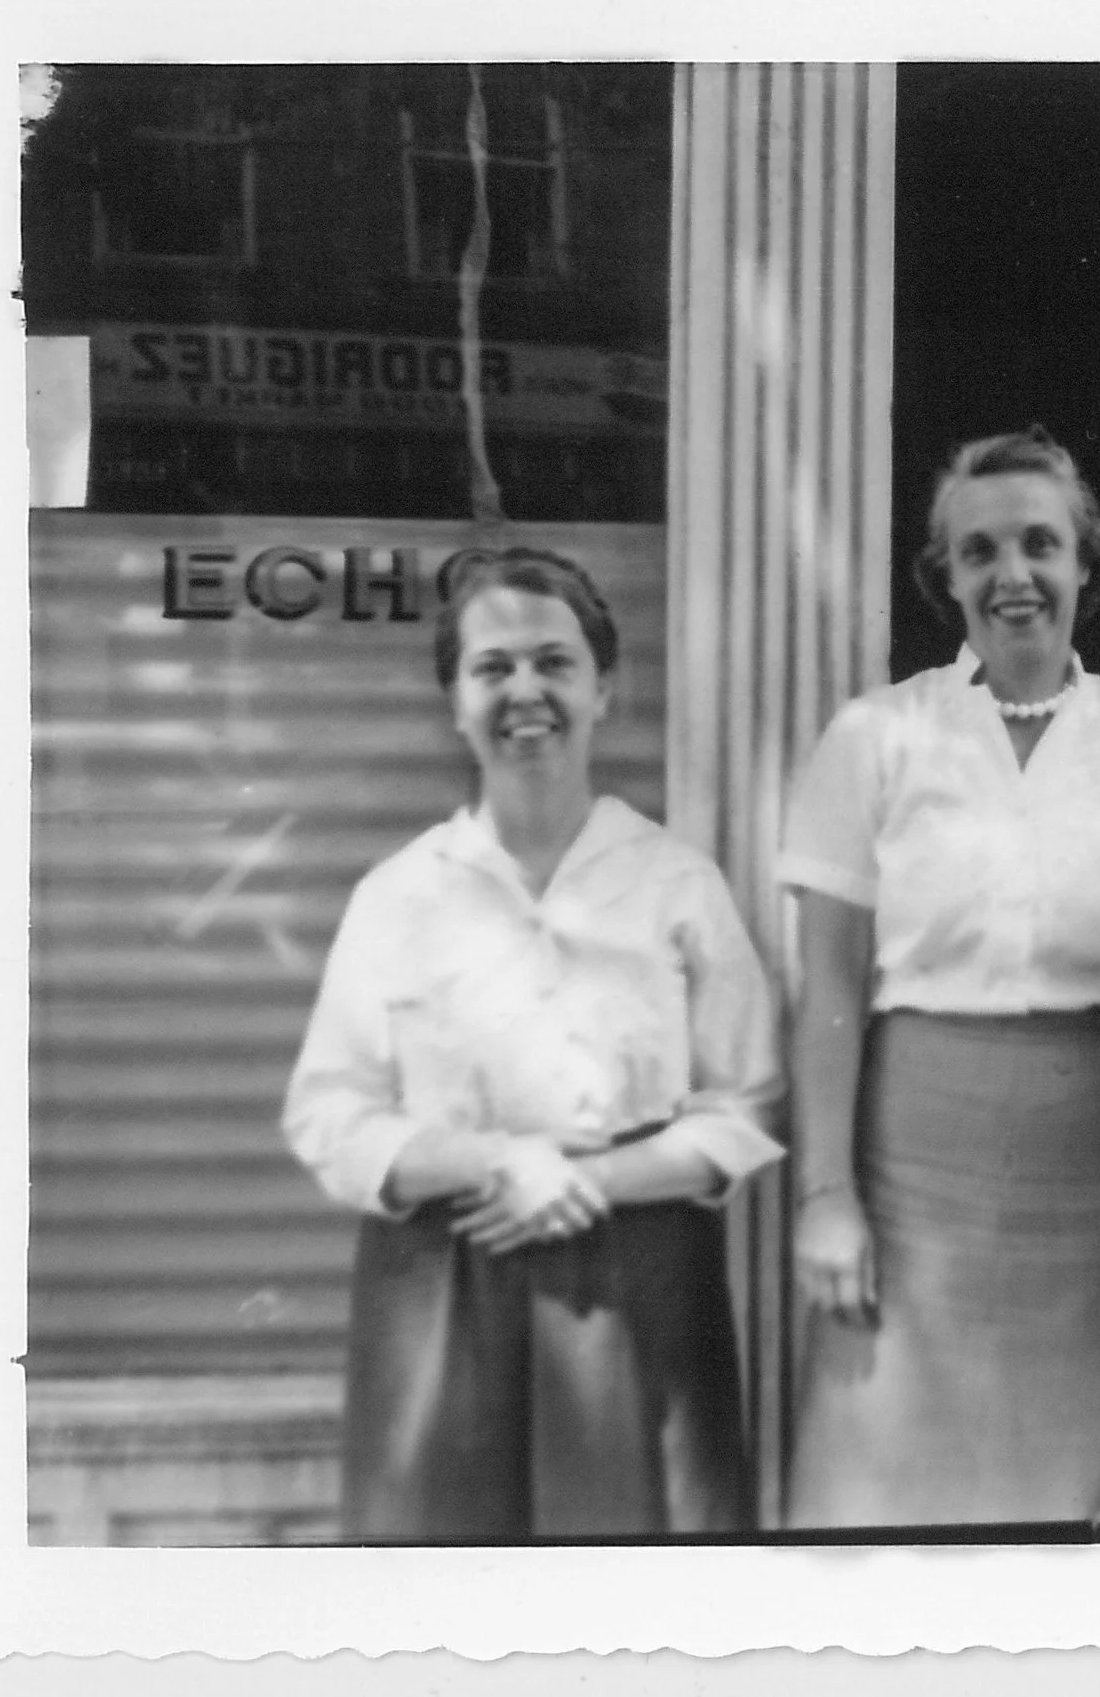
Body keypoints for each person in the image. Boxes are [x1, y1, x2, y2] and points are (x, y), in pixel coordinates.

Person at [283, 547, 784, 1540]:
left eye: (554, 662)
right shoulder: (400, 894)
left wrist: (593, 1180)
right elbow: (329, 1111)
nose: (525, 690)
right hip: (446, 1275)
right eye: (492, 666)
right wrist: (497, 1157)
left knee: (644, 1591)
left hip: (640, 1279)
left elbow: (748, 1101)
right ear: (453, 700)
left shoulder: (676, 882)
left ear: (606, 687)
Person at [778, 428, 1100, 1528]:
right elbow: (829, 980)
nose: (1012, 575)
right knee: (884, 1470)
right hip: (913, 1140)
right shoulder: (877, 734)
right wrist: (827, 1193)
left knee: (1084, 1480)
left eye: (1039, 543)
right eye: (979, 552)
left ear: (1087, 563)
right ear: (946, 579)